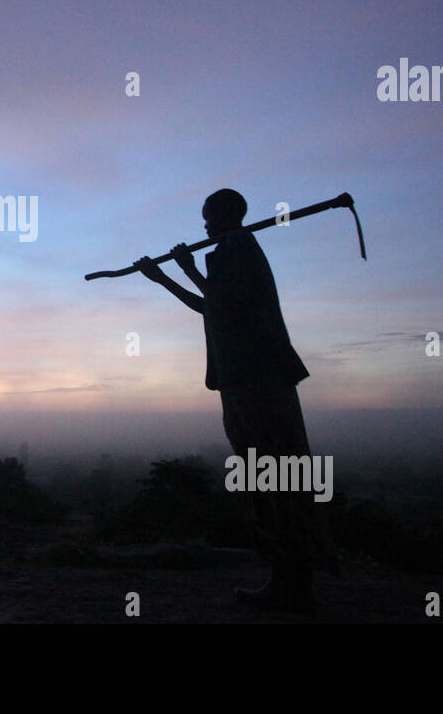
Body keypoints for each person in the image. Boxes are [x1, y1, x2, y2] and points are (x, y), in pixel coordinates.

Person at [136, 188, 338, 612]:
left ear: (230, 214)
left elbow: (227, 301)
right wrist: (164, 279)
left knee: (274, 473)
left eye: (209, 217)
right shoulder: (231, 249)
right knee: (266, 475)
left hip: (257, 379)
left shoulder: (239, 247)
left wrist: (188, 268)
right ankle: (287, 582)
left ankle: (293, 585)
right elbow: (212, 307)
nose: (204, 225)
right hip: (243, 380)